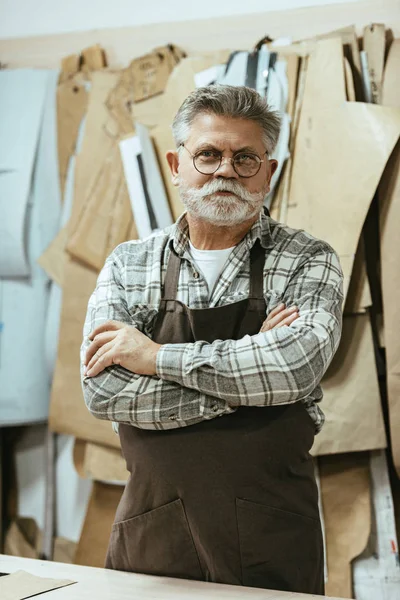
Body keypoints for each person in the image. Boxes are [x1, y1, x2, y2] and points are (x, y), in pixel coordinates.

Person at [81, 85, 343, 595]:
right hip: (151, 536)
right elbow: (104, 392)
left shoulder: (308, 260)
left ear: (269, 172)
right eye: (209, 154)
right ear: (177, 165)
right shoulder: (130, 263)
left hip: (271, 545)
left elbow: (294, 370)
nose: (226, 170)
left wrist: (153, 356)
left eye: (245, 158)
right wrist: (251, 389)